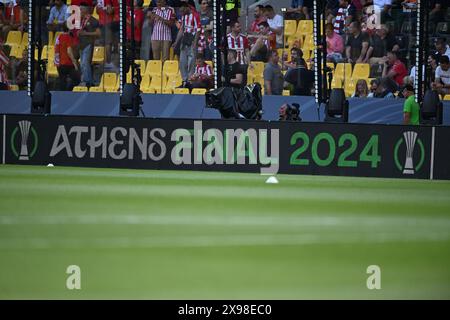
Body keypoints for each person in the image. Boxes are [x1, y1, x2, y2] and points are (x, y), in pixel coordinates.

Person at [174, 3, 200, 87]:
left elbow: (198, 30)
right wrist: (176, 42)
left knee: (191, 62)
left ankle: (190, 81)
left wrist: (195, 43)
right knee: (182, 62)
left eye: (182, 10)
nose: (181, 12)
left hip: (192, 40)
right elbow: (182, 29)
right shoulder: (184, 16)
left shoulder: (195, 15)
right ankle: (184, 81)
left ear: (186, 8)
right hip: (184, 41)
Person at [77, 3, 101, 87]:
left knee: (85, 63)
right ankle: (85, 80)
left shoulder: (93, 20)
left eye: (80, 9)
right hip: (80, 44)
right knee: (82, 64)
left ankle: (88, 81)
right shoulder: (80, 20)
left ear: (85, 10)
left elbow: (98, 33)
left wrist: (86, 33)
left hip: (88, 44)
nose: (79, 11)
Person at [54, 25, 80, 91]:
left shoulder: (58, 37)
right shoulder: (68, 37)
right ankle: (68, 91)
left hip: (59, 63)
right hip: (67, 63)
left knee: (62, 81)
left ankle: (62, 96)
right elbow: (69, 51)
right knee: (77, 79)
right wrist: (74, 62)